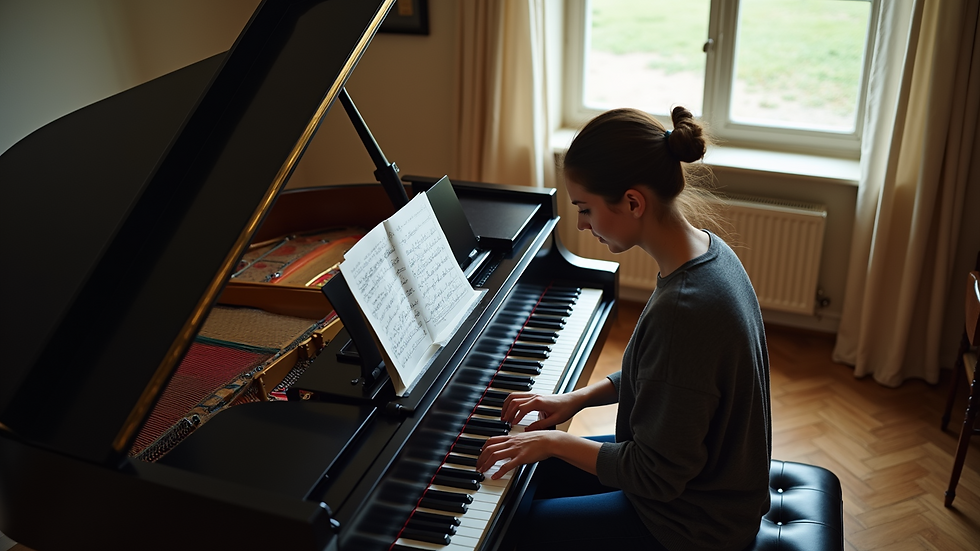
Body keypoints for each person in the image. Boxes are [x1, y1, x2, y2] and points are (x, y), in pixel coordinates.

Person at [475, 106, 772, 551]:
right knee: (523, 474)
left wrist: (554, 443)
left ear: (633, 202)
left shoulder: (684, 309)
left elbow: (654, 475)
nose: (581, 224)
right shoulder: (708, 254)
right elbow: (660, 374)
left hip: (694, 524)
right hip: (698, 487)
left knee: (510, 532)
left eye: (585, 208)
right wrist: (575, 399)